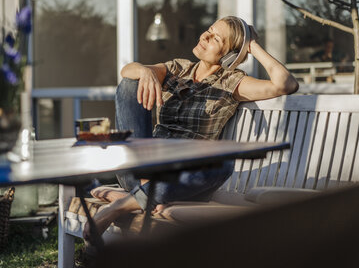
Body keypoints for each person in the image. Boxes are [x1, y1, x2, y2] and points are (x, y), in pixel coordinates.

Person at [83, 16, 298, 243]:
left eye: (216, 38)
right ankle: (143, 194)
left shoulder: (231, 83)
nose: (205, 36)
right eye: (209, 30)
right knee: (130, 84)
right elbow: (127, 71)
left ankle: (123, 204)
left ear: (229, 56)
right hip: (142, 167)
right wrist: (145, 71)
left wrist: (251, 45)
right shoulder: (178, 68)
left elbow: (285, 84)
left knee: (224, 164)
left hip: (182, 179)